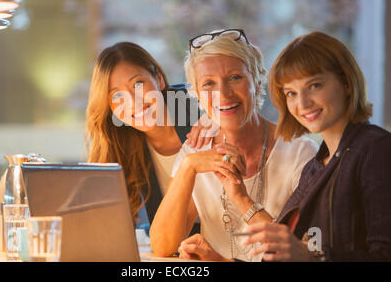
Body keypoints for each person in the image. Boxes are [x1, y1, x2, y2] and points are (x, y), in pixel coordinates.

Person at [178, 31, 391, 262]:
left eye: (315, 85)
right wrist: (218, 261)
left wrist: (314, 257)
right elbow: (282, 253)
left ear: (347, 83)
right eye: (291, 92)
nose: (302, 103)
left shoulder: (375, 150)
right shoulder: (317, 166)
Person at [149, 29, 318, 261]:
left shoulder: (301, 152)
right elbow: (162, 245)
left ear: (258, 82)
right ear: (197, 94)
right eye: (208, 83)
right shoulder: (195, 151)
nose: (223, 94)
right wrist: (188, 166)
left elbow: (303, 255)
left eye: (235, 78)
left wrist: (241, 199)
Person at [85, 41, 203, 229]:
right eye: (116, 96)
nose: (132, 102)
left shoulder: (202, 112)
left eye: (138, 84)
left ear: (159, 78)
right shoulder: (121, 144)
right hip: (173, 253)